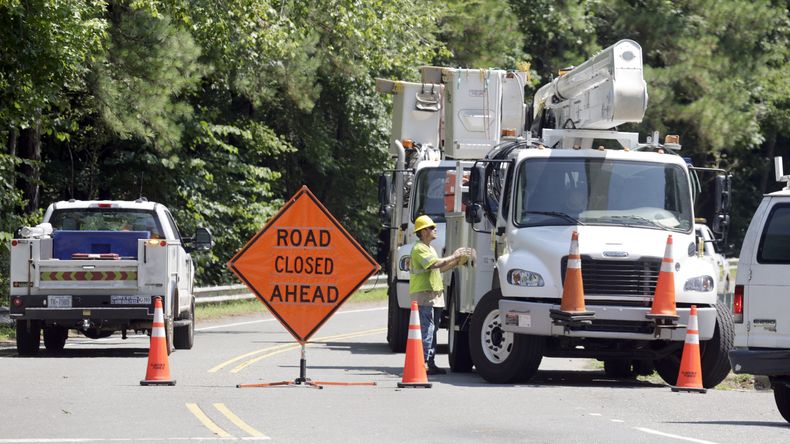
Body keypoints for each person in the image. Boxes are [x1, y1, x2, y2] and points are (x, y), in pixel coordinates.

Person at [409, 215, 470, 375]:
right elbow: (435, 264)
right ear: (422, 232)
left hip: (434, 296)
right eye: (431, 227)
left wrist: (456, 263)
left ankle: (430, 362)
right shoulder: (419, 248)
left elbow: (439, 268)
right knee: (427, 330)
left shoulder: (430, 248)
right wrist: (454, 256)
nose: (435, 229)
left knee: (432, 330)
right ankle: (422, 364)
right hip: (424, 295)